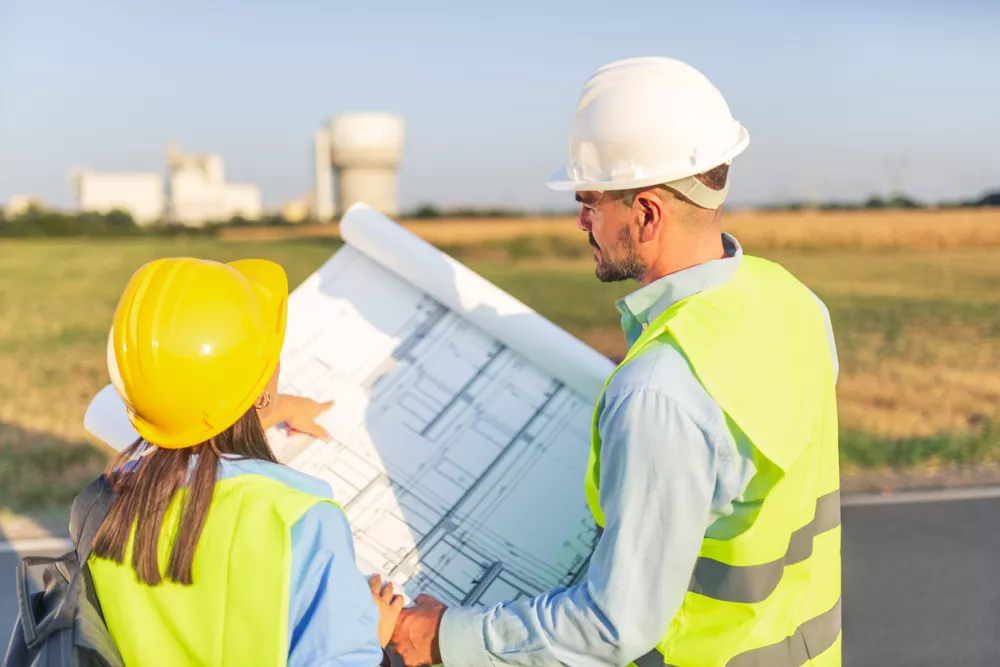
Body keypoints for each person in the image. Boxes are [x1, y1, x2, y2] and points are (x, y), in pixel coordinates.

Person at [389, 57, 842, 667]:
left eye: (590, 201)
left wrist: (440, 638)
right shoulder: (794, 301)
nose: (580, 221)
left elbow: (611, 625)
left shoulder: (659, 390)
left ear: (648, 213)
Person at [86, 256, 405, 666]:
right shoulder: (300, 521)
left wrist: (275, 403)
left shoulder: (102, 506)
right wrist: (371, 638)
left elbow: (201, 420)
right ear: (260, 388)